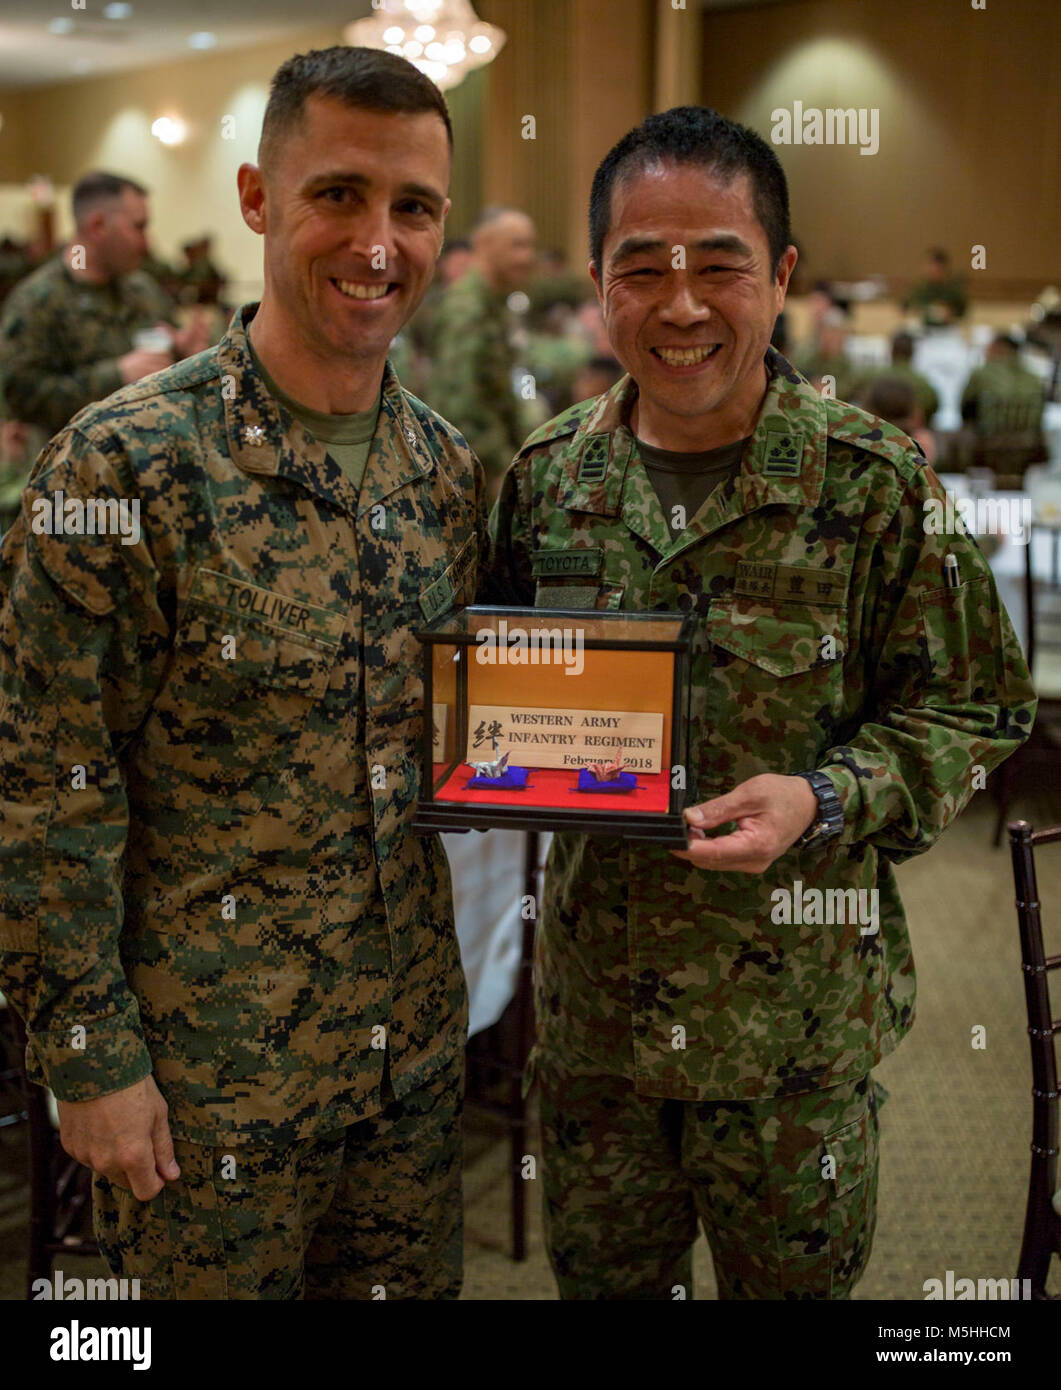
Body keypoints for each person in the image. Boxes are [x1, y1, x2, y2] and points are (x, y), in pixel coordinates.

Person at [485, 105, 1036, 1300]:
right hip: (598, 1043)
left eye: (718, 264)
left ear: (778, 275)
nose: (679, 306)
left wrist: (826, 795)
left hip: (790, 1037)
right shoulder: (543, 485)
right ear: (596, 286)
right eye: (641, 269)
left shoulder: (871, 485)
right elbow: (487, 703)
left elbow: (976, 709)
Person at [0, 45, 485, 1300]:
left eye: (414, 208)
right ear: (259, 198)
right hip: (201, 1098)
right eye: (338, 194)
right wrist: (89, 1056)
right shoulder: (120, 469)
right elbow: (43, 783)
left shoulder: (442, 471)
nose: (378, 242)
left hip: (409, 1076)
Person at [0, 172, 211, 437]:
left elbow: (165, 365)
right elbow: (21, 397)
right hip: (75, 466)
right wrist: (115, 375)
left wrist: (186, 353)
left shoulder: (143, 290)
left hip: (153, 457)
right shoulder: (38, 301)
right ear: (98, 225)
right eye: (138, 226)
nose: (146, 242)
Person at [427, 205, 537, 500]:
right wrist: (502, 468)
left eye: (530, 246)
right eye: (517, 245)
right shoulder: (468, 309)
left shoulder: (494, 304)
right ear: (486, 245)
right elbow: (461, 405)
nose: (527, 257)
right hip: (475, 477)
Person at [961, 333, 1046, 437]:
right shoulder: (1035, 378)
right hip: (1027, 441)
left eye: (989, 348)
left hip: (988, 440)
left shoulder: (981, 374)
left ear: (999, 349)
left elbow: (965, 407)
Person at [903, 247, 967, 328]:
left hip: (947, 331)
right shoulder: (918, 289)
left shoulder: (953, 290)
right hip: (921, 330)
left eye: (935, 266)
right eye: (928, 265)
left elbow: (963, 315)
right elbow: (905, 308)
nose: (931, 269)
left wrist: (951, 316)